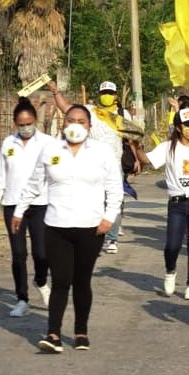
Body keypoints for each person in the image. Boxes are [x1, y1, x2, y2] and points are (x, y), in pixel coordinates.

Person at [12, 105, 123, 353]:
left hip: (91, 228)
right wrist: (19, 210)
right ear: (63, 124)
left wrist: (109, 217)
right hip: (56, 226)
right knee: (60, 280)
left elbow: (115, 188)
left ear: (89, 126)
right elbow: (33, 184)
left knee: (82, 281)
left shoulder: (102, 152)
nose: (75, 124)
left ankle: (81, 332)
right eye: (70, 120)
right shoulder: (51, 150)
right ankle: (53, 334)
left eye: (81, 121)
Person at [135, 107, 189, 300]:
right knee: (172, 245)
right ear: (178, 128)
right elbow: (147, 161)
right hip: (177, 204)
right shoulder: (168, 148)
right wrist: (136, 145)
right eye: (187, 125)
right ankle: (170, 271)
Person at [48, 80, 136, 255]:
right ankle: (92, 238)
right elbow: (66, 108)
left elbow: (130, 136)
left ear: (116, 96)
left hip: (114, 162)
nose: (107, 96)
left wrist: (135, 157)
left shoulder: (121, 113)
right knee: (92, 201)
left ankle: (111, 238)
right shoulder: (90, 111)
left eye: (110, 93)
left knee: (113, 201)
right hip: (90, 161)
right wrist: (56, 92)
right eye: (104, 93)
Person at [0, 97, 55, 317]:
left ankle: (41, 280)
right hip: (12, 203)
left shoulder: (47, 143)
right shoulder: (9, 144)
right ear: (15, 124)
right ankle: (22, 299)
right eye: (21, 124)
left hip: (40, 204)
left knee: (41, 252)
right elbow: (0, 175)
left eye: (29, 123)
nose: (25, 128)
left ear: (35, 120)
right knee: (18, 253)